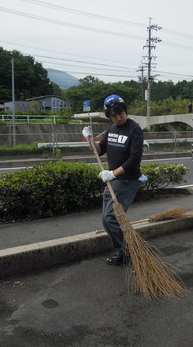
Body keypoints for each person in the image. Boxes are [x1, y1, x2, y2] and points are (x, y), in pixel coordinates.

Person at [82, 94, 144, 265]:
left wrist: (113, 173)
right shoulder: (112, 129)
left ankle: (128, 251)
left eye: (120, 113)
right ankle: (123, 250)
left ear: (125, 110)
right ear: (109, 116)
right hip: (113, 181)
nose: (118, 117)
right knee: (106, 219)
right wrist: (89, 139)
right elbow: (99, 149)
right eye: (113, 115)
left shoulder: (135, 129)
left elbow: (134, 160)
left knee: (111, 218)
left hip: (127, 181)